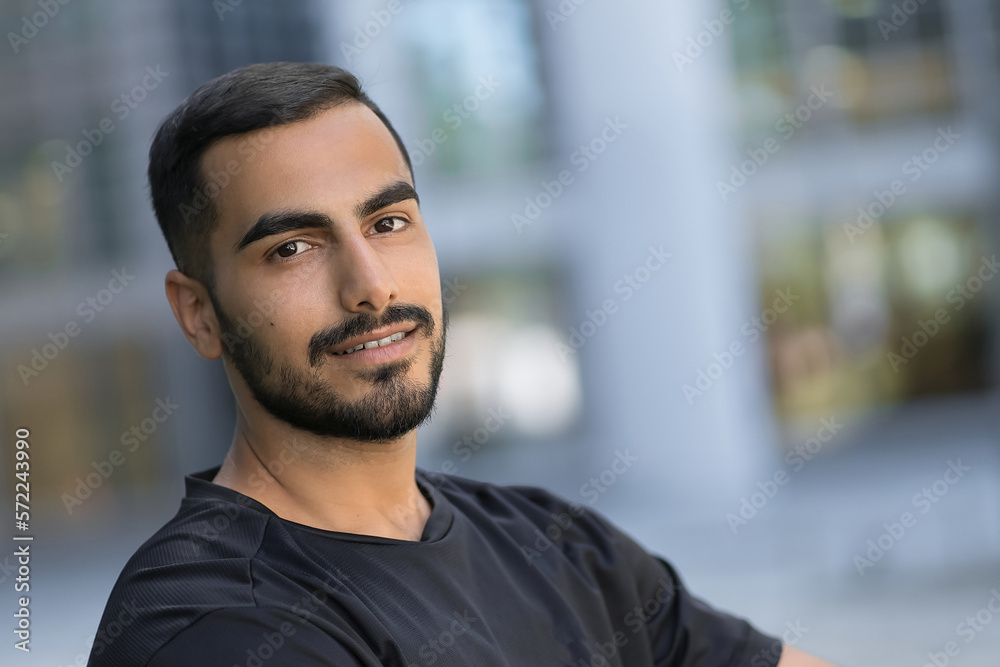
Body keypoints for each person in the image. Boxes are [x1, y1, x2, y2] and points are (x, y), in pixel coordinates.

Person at [88, 62, 834, 666]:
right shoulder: (209, 626)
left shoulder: (555, 544)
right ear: (200, 313)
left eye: (388, 222)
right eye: (293, 247)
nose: (370, 283)